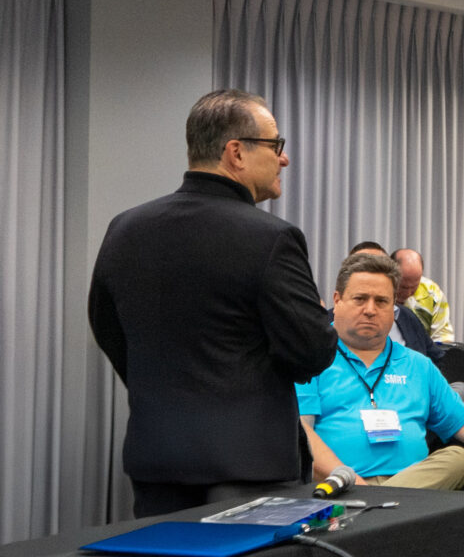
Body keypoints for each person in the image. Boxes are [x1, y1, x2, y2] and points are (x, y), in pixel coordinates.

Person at [88, 89, 336, 517]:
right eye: (276, 145)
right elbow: (313, 351)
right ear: (236, 153)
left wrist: (161, 389)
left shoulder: (125, 229)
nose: (284, 159)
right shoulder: (271, 238)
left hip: (157, 461)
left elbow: (107, 327)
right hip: (249, 467)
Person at [298, 252, 464, 489]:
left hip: (414, 483)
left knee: (458, 458)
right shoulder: (309, 357)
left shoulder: (418, 365)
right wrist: (353, 483)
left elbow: (463, 421)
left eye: (381, 301)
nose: (370, 310)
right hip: (341, 486)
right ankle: (387, 508)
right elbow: (303, 435)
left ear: (394, 306)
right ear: (338, 300)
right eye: (360, 299)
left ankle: (381, 507)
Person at [392, 247, 454, 343]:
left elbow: (442, 336)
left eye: (414, 287)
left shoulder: (432, 293)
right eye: (403, 287)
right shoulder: (376, 293)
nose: (408, 293)